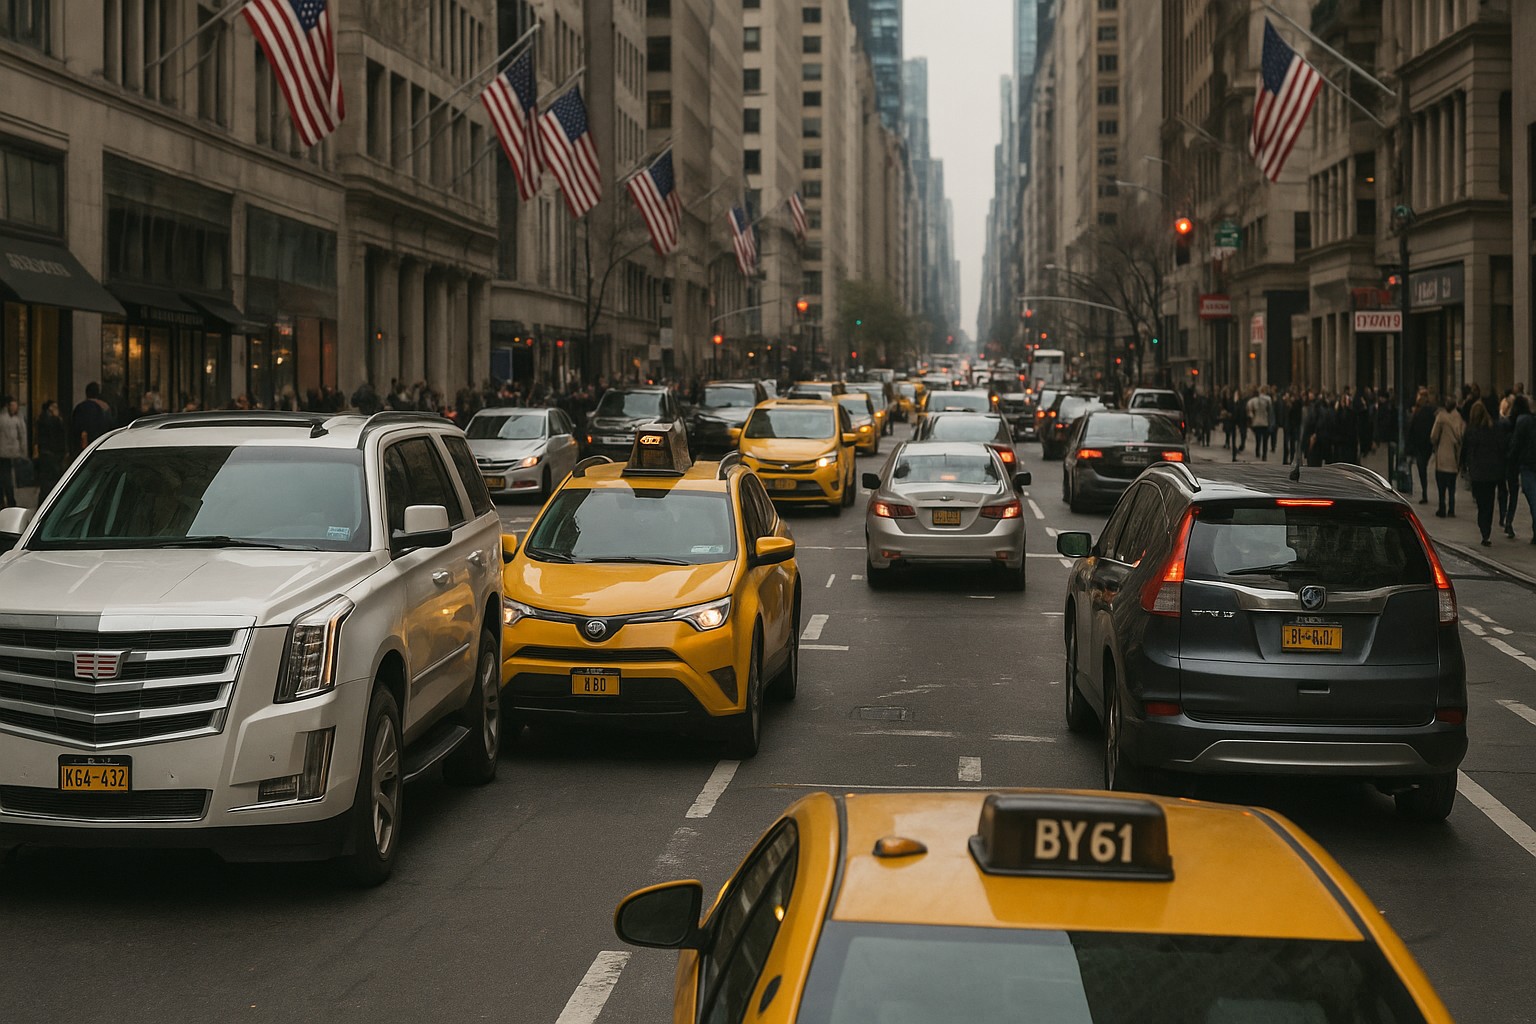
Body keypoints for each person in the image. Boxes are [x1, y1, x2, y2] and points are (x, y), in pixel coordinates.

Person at [1462, 403, 1504, 546]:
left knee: (1481, 502)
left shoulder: (1471, 430)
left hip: (1478, 472)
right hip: (1492, 472)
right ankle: (1487, 531)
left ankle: (1484, 529)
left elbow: (1465, 450)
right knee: (1489, 502)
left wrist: (1463, 466)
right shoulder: (1493, 428)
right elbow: (1500, 448)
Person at [1430, 396, 1465, 518]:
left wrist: (1436, 445)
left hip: (1443, 455)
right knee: (1452, 485)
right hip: (1454, 458)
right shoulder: (1459, 419)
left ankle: (1442, 507)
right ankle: (1451, 508)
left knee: (1441, 485)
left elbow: (1433, 436)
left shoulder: (1441, 418)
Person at [1512, 396, 1536, 544]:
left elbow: (1516, 443)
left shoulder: (1522, 420)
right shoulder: (1531, 420)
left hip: (1527, 464)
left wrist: (1511, 461)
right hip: (1530, 462)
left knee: (1533, 499)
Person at [34, 400, 67, 502]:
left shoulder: (42, 420)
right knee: (51, 480)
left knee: (46, 482)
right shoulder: (52, 421)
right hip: (51, 453)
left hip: (47, 453)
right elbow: (59, 435)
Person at [70, 381, 115, 456]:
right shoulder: (105, 407)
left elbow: (77, 428)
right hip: (102, 444)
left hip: (86, 446)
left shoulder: (81, 407)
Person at [1408, 391, 1437, 504]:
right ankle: (1424, 491)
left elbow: (1412, 430)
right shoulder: (1431, 412)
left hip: (1419, 445)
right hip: (1427, 445)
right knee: (1423, 466)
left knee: (1422, 469)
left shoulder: (1418, 413)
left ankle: (1424, 491)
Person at [0, 395, 25, 508]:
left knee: (5, 477)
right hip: (10, 452)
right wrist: (22, 450)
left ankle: (5, 499)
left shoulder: (3, 418)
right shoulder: (16, 419)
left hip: (5, 452)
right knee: (8, 477)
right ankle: (10, 500)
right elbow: (22, 435)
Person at [1247, 387, 1272, 461]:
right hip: (1264, 422)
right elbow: (1270, 411)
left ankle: (1257, 452)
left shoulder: (1253, 400)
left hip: (1256, 422)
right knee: (1265, 440)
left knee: (1258, 439)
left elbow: (1249, 410)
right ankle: (1264, 455)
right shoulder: (1268, 399)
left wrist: (1251, 418)